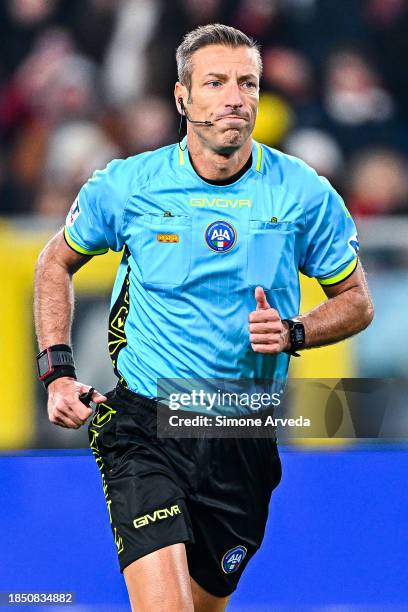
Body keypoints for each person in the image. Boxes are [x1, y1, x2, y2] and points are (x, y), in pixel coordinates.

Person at [34, 23, 374, 612]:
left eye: (247, 82)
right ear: (182, 97)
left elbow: (357, 302)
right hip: (144, 424)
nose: (234, 97)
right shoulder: (129, 185)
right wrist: (57, 370)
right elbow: (53, 263)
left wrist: (296, 332)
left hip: (242, 429)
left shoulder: (303, 194)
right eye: (215, 82)